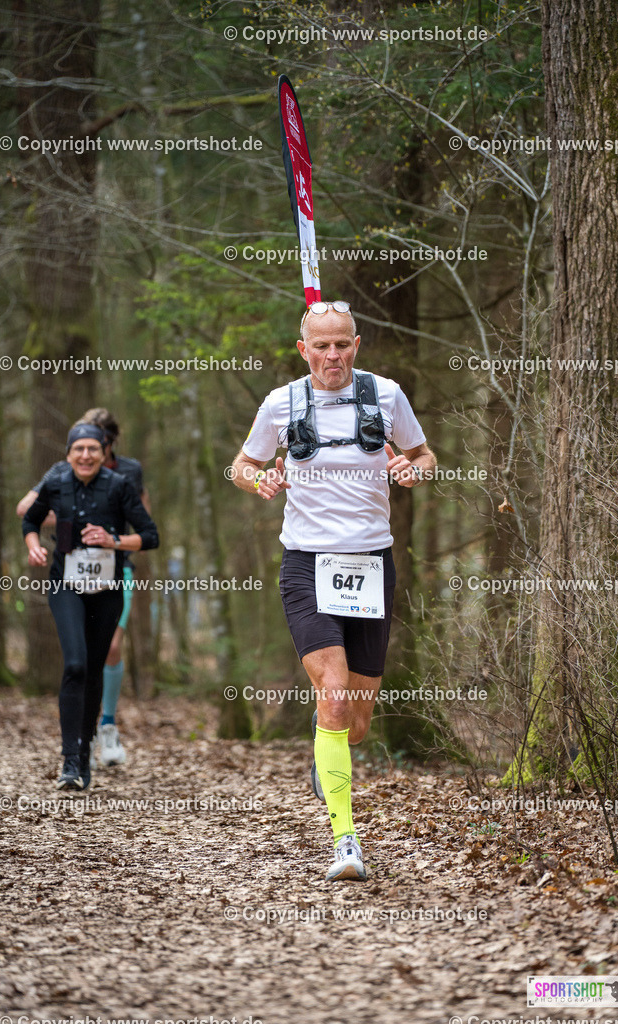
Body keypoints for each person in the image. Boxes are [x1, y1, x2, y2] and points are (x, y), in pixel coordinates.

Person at [230, 300, 436, 881]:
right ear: (304, 350)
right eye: (321, 347)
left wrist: (415, 469)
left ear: (357, 343)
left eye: (341, 344)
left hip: (371, 561)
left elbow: (425, 454)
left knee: (358, 723)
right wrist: (260, 478)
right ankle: (346, 841)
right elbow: (241, 465)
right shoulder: (283, 403)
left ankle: (330, 752)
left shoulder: (386, 396)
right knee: (335, 694)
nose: (332, 356)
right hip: (306, 563)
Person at [22, 423, 159, 790]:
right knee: (76, 664)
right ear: (68, 454)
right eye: (78, 449)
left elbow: (150, 536)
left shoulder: (119, 486)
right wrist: (33, 544)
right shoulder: (56, 483)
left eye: (92, 449)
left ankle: (84, 755)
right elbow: (29, 519)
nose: (85, 455)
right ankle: (70, 759)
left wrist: (113, 540)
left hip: (107, 588)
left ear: (104, 453)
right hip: (66, 585)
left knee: (95, 669)